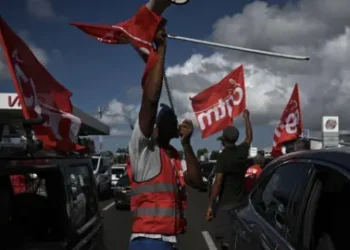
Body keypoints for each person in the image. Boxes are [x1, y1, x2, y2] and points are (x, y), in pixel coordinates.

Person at [127, 25, 202, 250]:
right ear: (154, 128)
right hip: (149, 242)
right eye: (164, 120)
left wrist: (187, 145)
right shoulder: (143, 149)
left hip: (167, 242)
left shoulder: (172, 154)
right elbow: (150, 101)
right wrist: (160, 51)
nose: (173, 123)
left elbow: (197, 182)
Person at [205, 109, 252, 250]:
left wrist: (210, 204)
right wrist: (246, 118)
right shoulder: (242, 152)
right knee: (235, 239)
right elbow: (249, 137)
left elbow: (218, 182)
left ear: (224, 140)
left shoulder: (223, 157)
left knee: (225, 242)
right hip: (240, 204)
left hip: (225, 206)